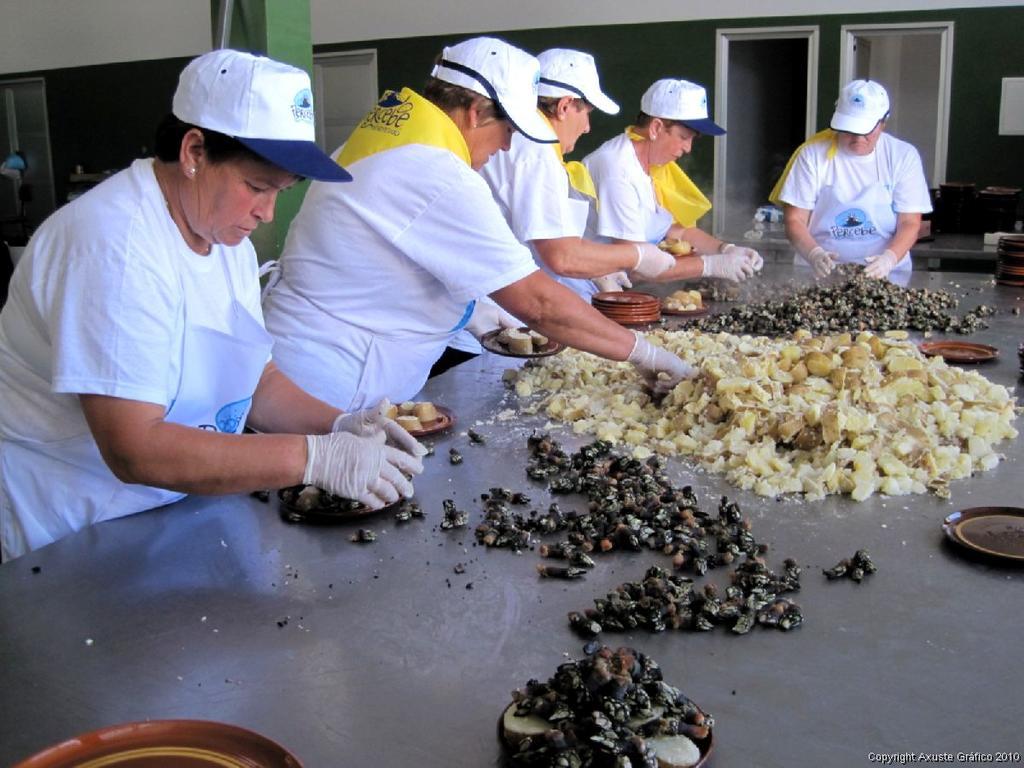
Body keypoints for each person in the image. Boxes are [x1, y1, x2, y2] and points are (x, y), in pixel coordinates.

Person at [0, 50, 425, 561]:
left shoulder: (225, 245)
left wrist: (336, 425)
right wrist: (311, 458)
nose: (267, 214)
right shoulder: (114, 245)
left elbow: (256, 380)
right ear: (195, 150)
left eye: (282, 191)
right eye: (257, 186)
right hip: (72, 529)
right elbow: (134, 449)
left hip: (170, 514)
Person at [261, 37, 694, 412]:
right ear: (474, 111)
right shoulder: (436, 171)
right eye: (508, 127)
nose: (508, 144)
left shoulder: (392, 141)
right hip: (330, 381)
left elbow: (387, 261)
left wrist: (473, 310)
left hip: (310, 358)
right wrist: (645, 354)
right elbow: (538, 304)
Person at [441, 48, 685, 371]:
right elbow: (562, 256)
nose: (587, 127)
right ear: (565, 105)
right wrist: (635, 256)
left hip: (487, 310)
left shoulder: (536, 147)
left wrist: (599, 268)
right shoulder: (536, 146)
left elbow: (543, 239)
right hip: (487, 325)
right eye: (587, 114)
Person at [583, 78, 763, 281]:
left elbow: (673, 231)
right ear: (656, 128)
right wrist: (709, 265)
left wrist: (726, 249)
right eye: (684, 137)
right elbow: (636, 265)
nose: (688, 149)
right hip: (582, 292)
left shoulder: (652, 166)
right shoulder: (617, 169)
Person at [770, 79, 932, 284]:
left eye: (866, 130)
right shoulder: (812, 155)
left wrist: (889, 259)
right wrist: (814, 254)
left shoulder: (902, 156)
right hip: (818, 274)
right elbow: (795, 220)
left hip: (887, 276)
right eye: (849, 130)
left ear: (883, 123)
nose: (857, 138)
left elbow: (909, 223)